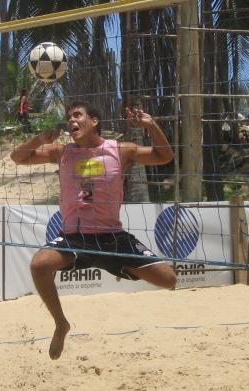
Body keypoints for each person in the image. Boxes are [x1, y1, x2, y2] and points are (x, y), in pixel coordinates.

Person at [11, 101, 176, 359]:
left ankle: (120, 266)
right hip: (75, 237)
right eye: (69, 117)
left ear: (94, 121)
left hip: (112, 238)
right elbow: (18, 157)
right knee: (39, 265)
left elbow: (164, 156)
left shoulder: (120, 150)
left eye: (77, 115)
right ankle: (61, 324)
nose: (71, 121)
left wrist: (151, 125)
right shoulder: (62, 152)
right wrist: (38, 139)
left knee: (169, 281)